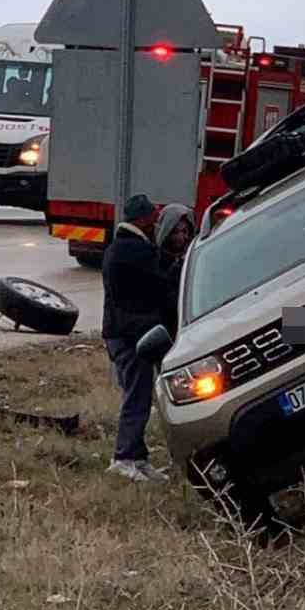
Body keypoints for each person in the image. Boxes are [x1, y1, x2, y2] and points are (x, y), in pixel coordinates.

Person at [101, 193, 174, 482]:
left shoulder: (118, 247)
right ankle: (124, 458)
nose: (156, 224)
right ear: (143, 220)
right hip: (131, 337)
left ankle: (138, 458)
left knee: (139, 397)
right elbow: (162, 284)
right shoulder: (136, 251)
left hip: (122, 334)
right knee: (137, 399)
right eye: (153, 219)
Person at [154, 201, 195, 339]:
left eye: (185, 231)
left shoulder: (192, 258)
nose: (181, 237)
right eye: (176, 232)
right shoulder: (155, 260)